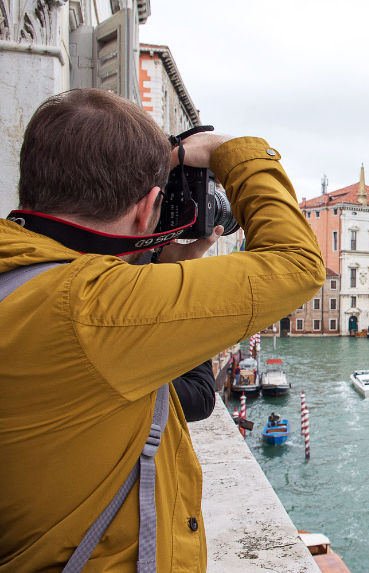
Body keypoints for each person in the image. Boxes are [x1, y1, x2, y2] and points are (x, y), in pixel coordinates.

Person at [0, 89, 324, 572]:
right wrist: (229, 151)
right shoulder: (93, 310)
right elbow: (297, 262)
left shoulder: (21, 274)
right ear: (147, 207)